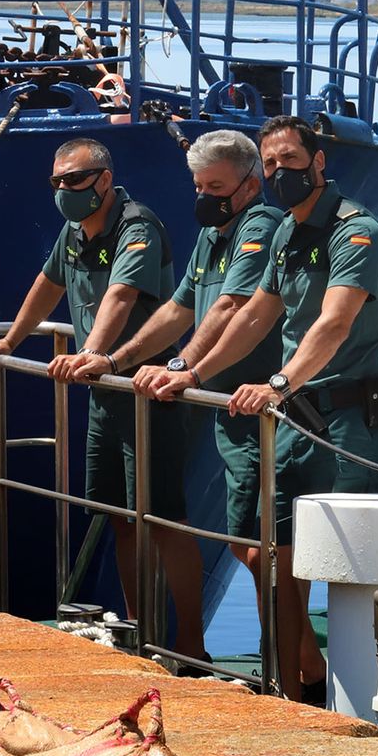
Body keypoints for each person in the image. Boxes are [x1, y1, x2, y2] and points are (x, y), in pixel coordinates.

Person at [59, 130, 312, 672]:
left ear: (249, 185)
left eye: (216, 186)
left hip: (263, 409)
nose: (204, 195)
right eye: (198, 185)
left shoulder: (258, 227)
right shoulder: (212, 232)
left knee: (259, 547)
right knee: (243, 544)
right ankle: (302, 663)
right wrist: (115, 357)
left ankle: (290, 671)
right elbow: (178, 311)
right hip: (226, 406)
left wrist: (182, 367)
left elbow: (226, 308)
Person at [170, 115, 378, 705]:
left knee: (353, 570)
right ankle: (290, 694)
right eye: (270, 165)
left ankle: (369, 701)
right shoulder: (285, 233)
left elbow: (335, 321)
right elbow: (254, 315)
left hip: (348, 422)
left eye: (291, 162)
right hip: (296, 420)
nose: (280, 174)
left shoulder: (357, 231)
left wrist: (277, 382)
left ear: (319, 163)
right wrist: (193, 371)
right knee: (277, 560)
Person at [0, 138, 207, 662]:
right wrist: (11, 341)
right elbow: (48, 283)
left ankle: (191, 641)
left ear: (104, 178)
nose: (64, 191)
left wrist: (96, 352)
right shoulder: (74, 231)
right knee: (117, 517)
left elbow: (122, 295)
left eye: (74, 180)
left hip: (147, 395)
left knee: (164, 520)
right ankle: (140, 631)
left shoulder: (136, 225)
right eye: (56, 182)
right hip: (105, 397)